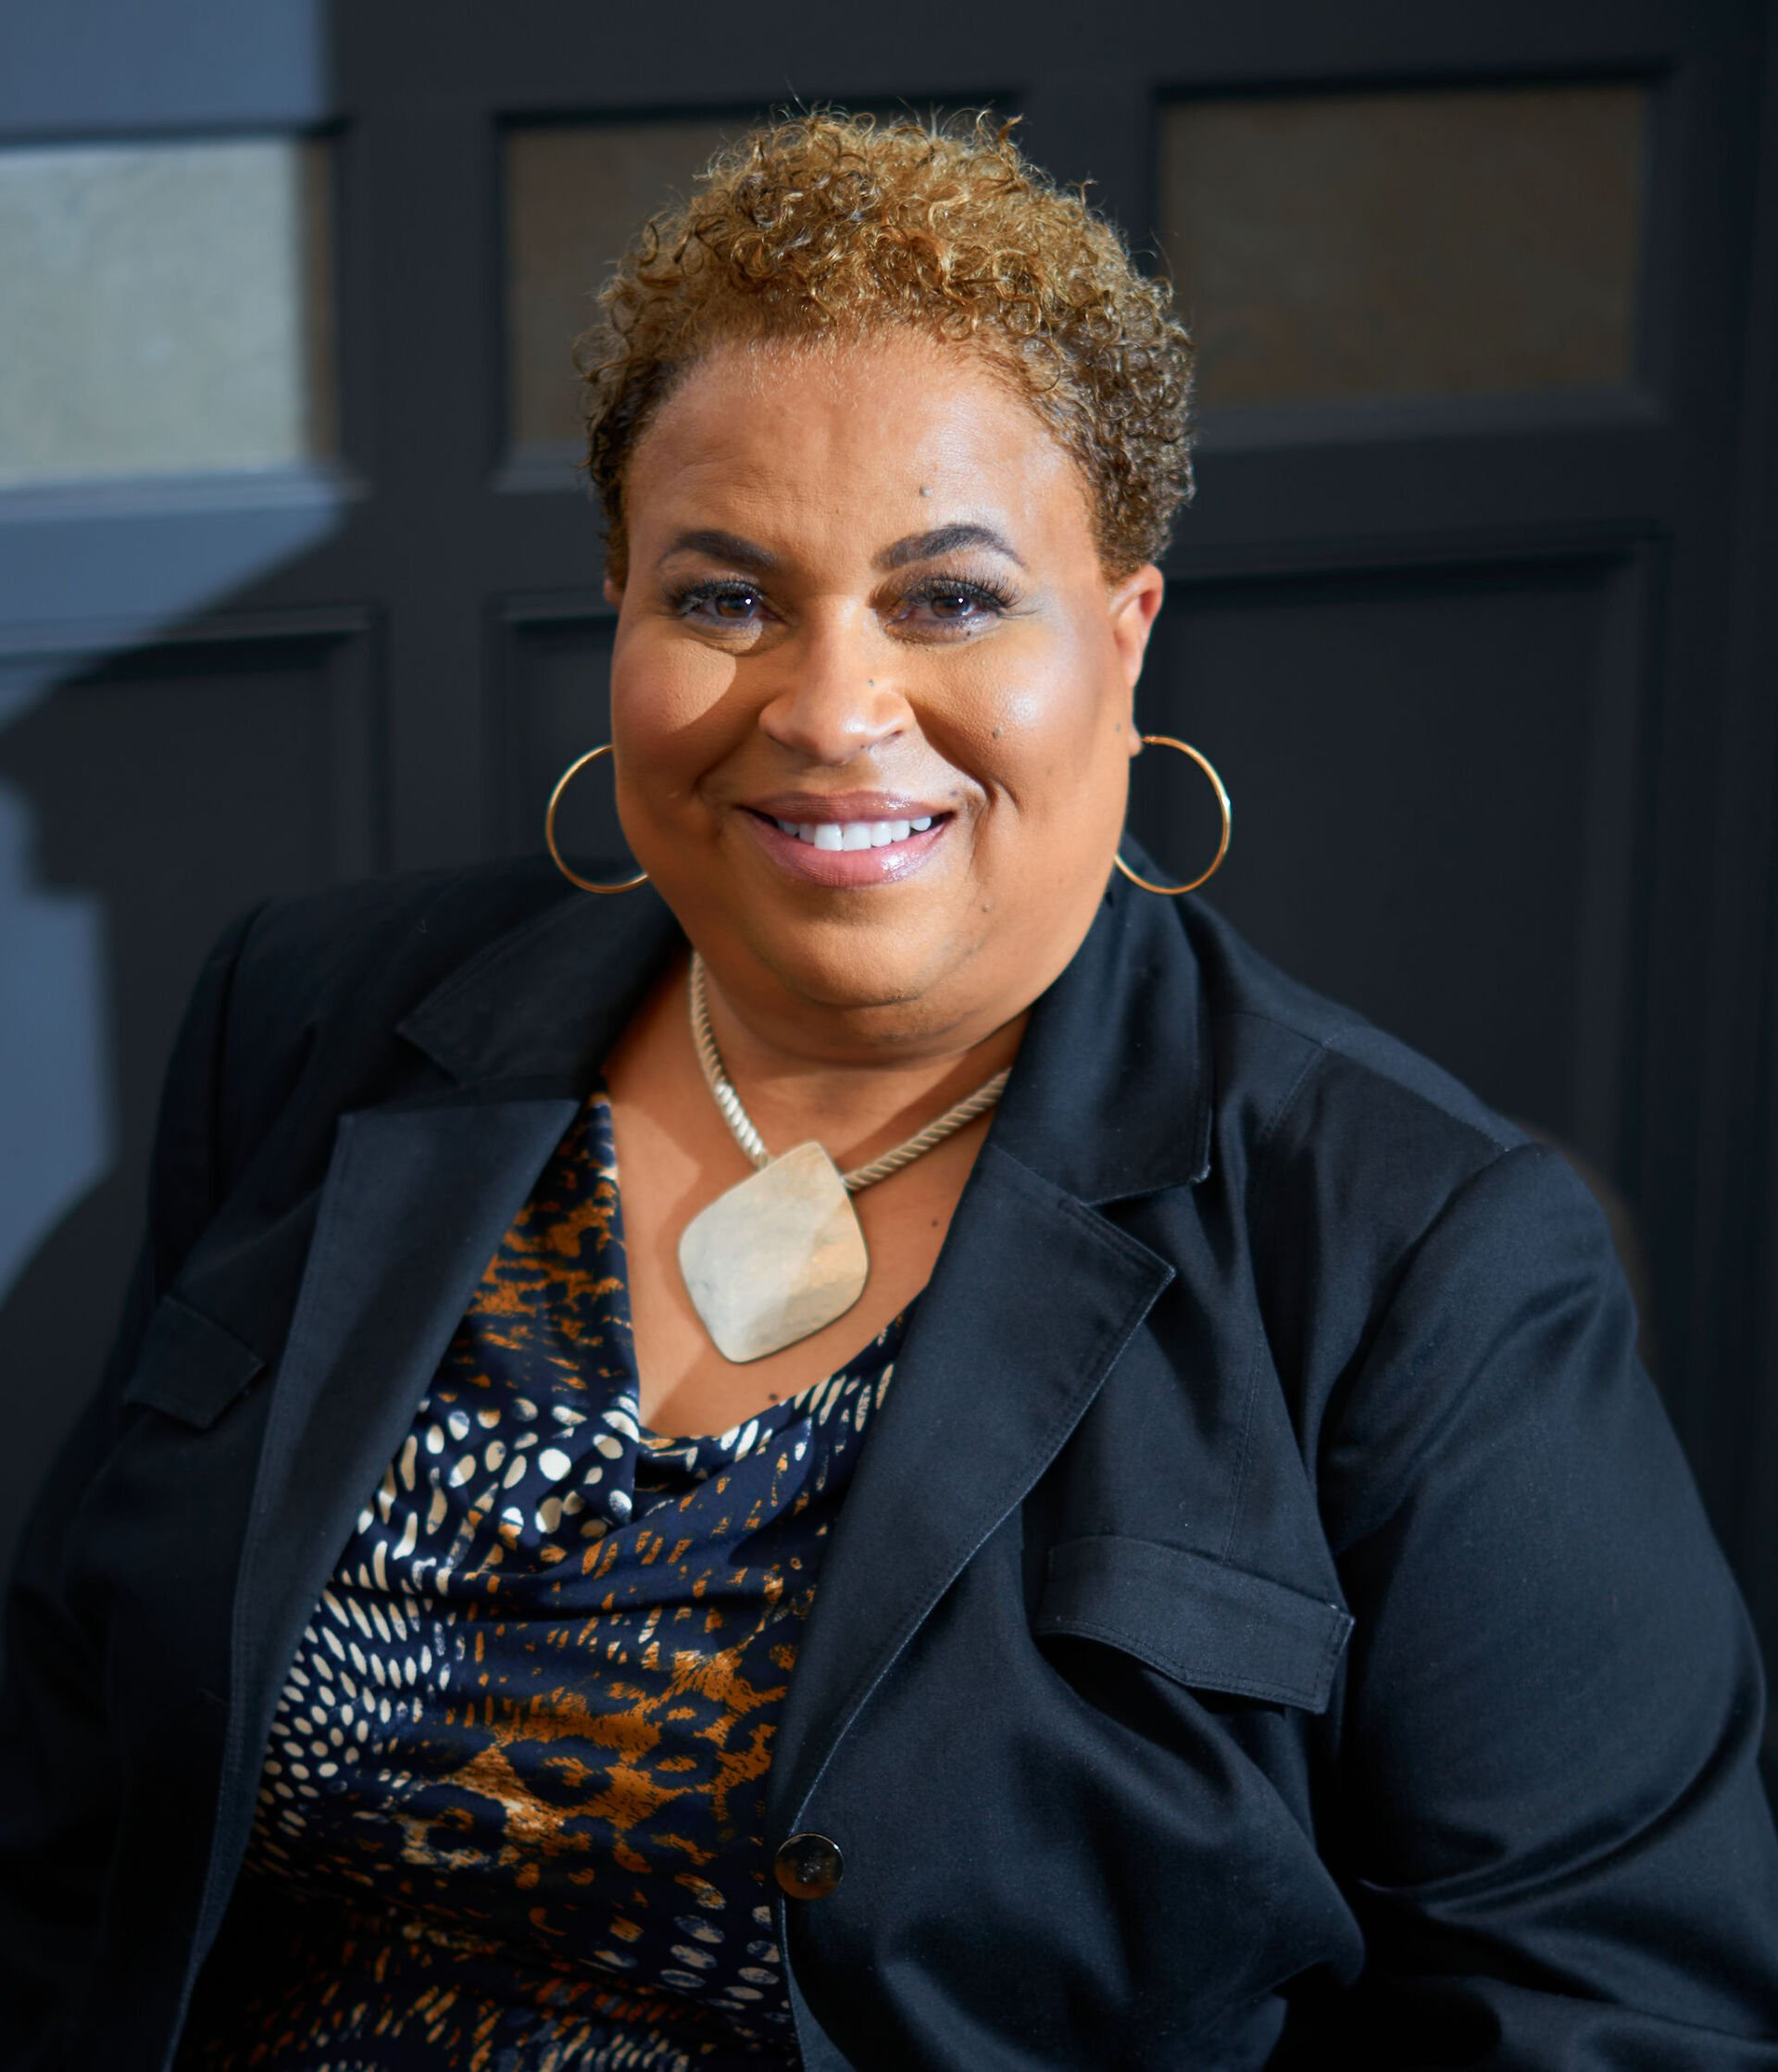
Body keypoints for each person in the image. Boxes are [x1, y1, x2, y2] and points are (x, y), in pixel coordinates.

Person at [2, 109, 1774, 2072]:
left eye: (947, 599)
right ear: (618, 613)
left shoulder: (1415, 1257)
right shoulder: (320, 1021)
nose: (832, 710)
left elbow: (1618, 2018)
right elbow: (69, 1769)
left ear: (1121, 638)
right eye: (725, 595)